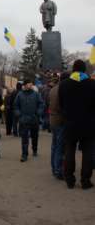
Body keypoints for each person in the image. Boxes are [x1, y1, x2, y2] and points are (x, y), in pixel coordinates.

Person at [59, 60, 95, 189]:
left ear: (73, 69)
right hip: (88, 124)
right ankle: (85, 180)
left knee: (69, 151)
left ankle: (69, 180)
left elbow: (61, 104)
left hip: (70, 123)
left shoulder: (63, 84)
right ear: (84, 70)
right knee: (88, 153)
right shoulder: (92, 84)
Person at [14, 79, 44, 162]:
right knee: (24, 138)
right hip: (24, 119)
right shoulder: (20, 95)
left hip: (34, 119)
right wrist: (19, 114)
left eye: (31, 84)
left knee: (35, 136)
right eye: (29, 84)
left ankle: (34, 150)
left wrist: (38, 113)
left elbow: (41, 104)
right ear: (25, 85)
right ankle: (24, 154)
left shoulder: (36, 94)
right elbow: (16, 106)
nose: (30, 85)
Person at [49, 74, 69, 180]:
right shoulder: (62, 89)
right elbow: (62, 106)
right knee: (60, 147)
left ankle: (54, 167)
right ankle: (58, 170)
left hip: (53, 120)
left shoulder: (53, 89)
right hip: (60, 120)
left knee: (54, 145)